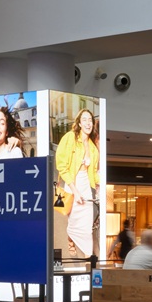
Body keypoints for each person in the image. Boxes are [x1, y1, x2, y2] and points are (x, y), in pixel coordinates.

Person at [56, 108, 100, 259]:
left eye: (90, 120)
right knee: (73, 217)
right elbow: (61, 165)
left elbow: (93, 173)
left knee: (87, 220)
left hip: (85, 183)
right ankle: (70, 237)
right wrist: (75, 191)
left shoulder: (93, 148)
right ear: (79, 123)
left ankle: (88, 255)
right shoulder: (70, 138)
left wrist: (101, 184)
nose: (88, 123)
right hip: (71, 181)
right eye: (85, 120)